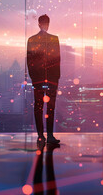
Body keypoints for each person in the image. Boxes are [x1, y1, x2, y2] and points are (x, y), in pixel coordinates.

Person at [27, 14, 60, 144]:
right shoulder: (52, 39)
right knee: (46, 107)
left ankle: (43, 135)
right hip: (47, 80)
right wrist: (55, 78)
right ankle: (47, 135)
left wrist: (34, 78)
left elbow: (31, 62)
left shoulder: (32, 40)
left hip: (42, 80)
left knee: (41, 108)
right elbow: (57, 60)